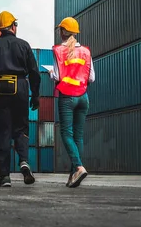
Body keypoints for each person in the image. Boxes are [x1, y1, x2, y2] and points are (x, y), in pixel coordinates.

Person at [0, 11, 41, 187]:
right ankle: (24, 162)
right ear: (13, 26)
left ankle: (4, 176)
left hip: (0, 90)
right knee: (21, 128)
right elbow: (35, 73)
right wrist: (35, 96)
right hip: (20, 88)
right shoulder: (24, 45)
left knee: (2, 131)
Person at [51, 17, 95, 188]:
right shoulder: (86, 51)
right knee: (78, 136)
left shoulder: (58, 51)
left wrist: (49, 74)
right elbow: (91, 78)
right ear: (75, 32)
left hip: (67, 97)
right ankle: (73, 176)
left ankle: (78, 167)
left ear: (62, 31)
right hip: (83, 97)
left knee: (66, 133)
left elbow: (56, 75)